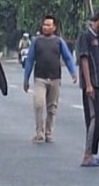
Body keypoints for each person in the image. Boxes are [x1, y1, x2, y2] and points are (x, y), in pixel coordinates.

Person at [22, 14, 77, 143]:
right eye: (44, 25)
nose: (46, 27)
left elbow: (68, 58)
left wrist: (73, 73)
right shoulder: (36, 41)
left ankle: (49, 132)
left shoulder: (59, 42)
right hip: (40, 78)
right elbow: (30, 60)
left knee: (52, 107)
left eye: (49, 25)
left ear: (54, 27)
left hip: (55, 78)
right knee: (39, 104)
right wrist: (26, 79)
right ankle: (39, 132)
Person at [75, 9, 99, 168]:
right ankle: (87, 155)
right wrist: (88, 84)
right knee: (94, 118)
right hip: (91, 84)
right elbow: (84, 60)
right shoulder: (85, 37)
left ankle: (93, 153)